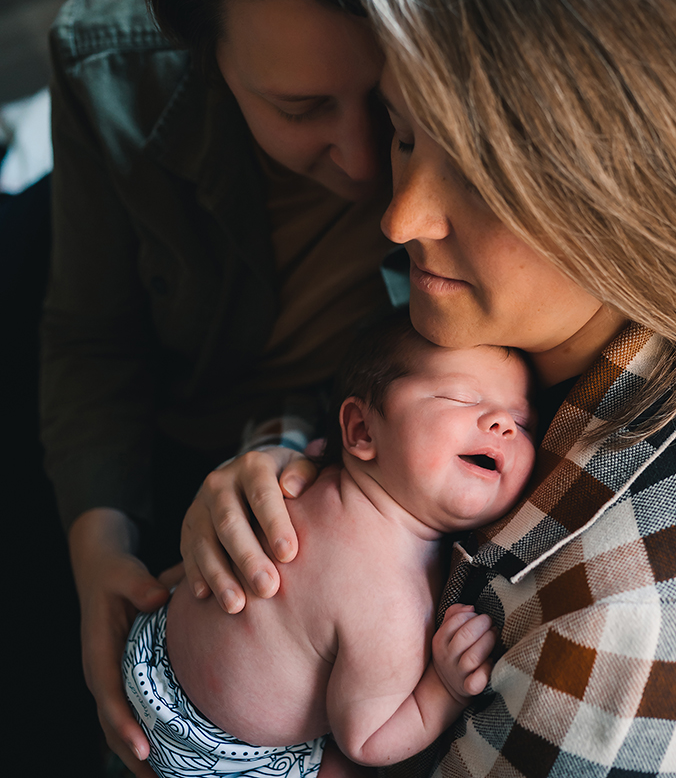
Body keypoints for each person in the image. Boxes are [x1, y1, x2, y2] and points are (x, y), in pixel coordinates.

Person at [184, 0, 676, 774]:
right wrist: (268, 480)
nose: (400, 216)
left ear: (641, 190)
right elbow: (348, 401)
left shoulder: (662, 615)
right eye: (405, 134)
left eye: (479, 176)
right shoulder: (483, 308)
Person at [41, 0, 400, 773]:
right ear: (209, 58)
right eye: (302, 109)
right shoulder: (110, 66)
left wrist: (293, 448)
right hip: (164, 401)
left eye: (394, 103)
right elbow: (93, 337)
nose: (368, 160)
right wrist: (98, 553)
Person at [123, 314, 536, 777]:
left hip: (145, 650)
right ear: (361, 429)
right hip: (224, 759)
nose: (502, 424)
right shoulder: (394, 603)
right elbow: (367, 739)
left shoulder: (303, 472)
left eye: (524, 424)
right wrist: (444, 688)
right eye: (461, 397)